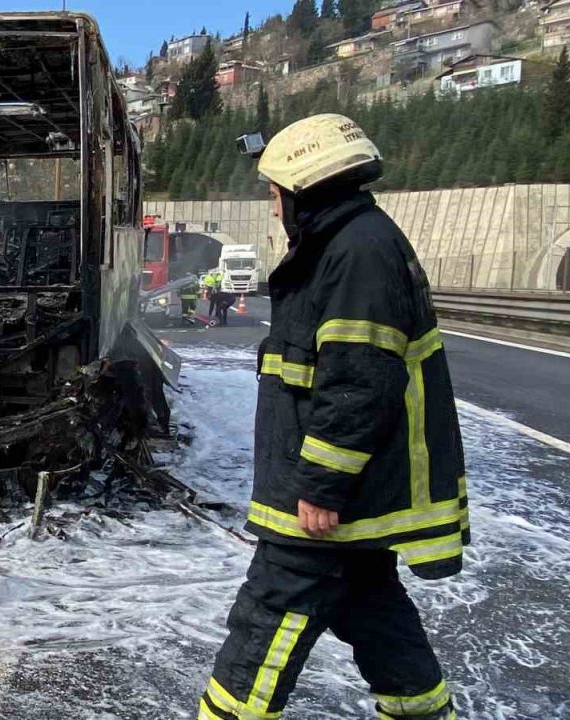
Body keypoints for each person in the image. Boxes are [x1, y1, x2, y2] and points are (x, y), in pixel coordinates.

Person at [198, 114, 467, 720]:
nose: (273, 209)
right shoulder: (350, 242)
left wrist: (322, 484)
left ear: (304, 190)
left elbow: (358, 381)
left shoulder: (356, 252)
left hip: (330, 497)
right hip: (355, 494)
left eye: (275, 195)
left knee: (268, 613)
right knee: (371, 604)